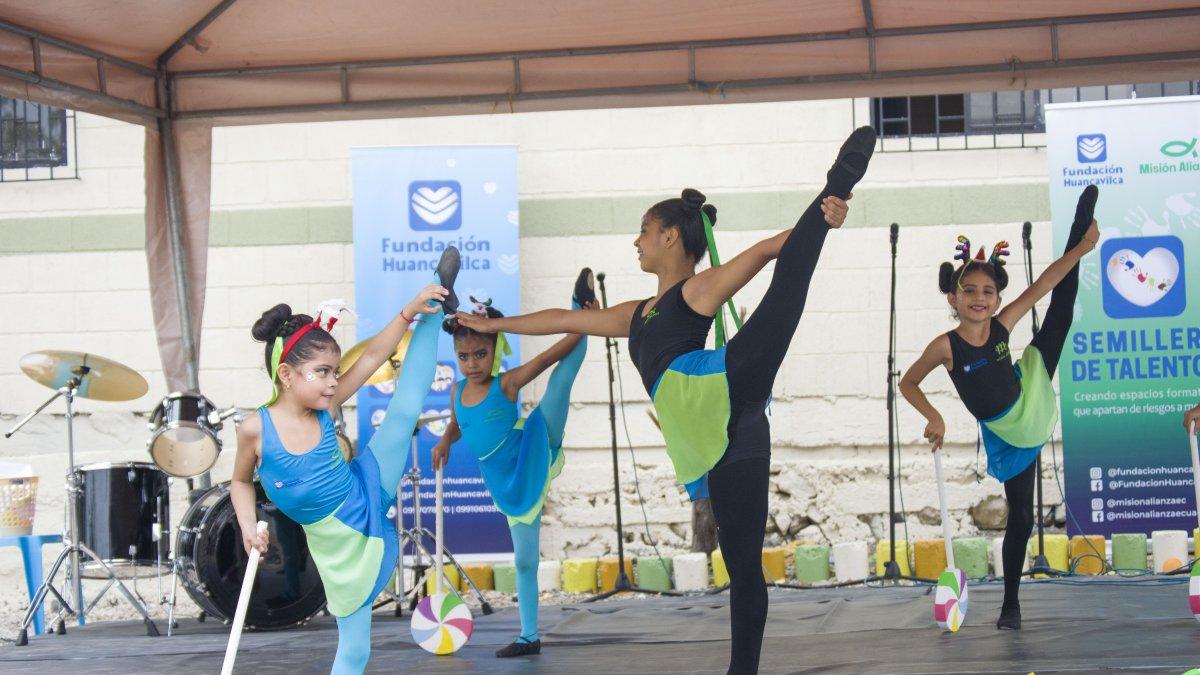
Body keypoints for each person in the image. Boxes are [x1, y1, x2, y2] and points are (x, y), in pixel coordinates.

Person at [455, 126, 873, 674]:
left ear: (673, 237)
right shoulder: (634, 313)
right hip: (727, 435)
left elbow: (774, 250)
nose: (637, 241)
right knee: (742, 564)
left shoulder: (695, 292)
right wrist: (495, 323)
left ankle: (837, 179)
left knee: (789, 287)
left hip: (722, 384)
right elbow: (563, 319)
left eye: (645, 230)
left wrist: (826, 213)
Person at [231, 248, 459, 673]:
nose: (334, 381)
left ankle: (435, 299)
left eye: (335, 371)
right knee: (355, 649)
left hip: (364, 486)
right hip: (337, 543)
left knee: (406, 407)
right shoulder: (255, 429)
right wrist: (247, 528)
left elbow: (372, 357)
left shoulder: (327, 407)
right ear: (286, 375)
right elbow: (240, 482)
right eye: (322, 372)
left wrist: (409, 311)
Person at [899, 185, 1100, 630]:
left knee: (1060, 311)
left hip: (1029, 388)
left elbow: (1046, 283)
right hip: (1010, 433)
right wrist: (932, 416)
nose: (979, 297)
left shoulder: (1003, 326)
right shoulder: (945, 347)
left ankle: (1078, 226)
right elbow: (908, 382)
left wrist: (1083, 248)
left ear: (996, 298)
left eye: (987, 291)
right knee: (1022, 517)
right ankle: (1011, 601)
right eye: (968, 289)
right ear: (952, 298)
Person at [432, 268, 597, 657]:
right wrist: (444, 442)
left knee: (560, 382)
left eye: (480, 354)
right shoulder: (457, 392)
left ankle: (582, 307)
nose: (472, 363)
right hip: (506, 483)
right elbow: (460, 426)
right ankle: (529, 636)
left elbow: (548, 356)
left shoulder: (505, 384)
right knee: (524, 558)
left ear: (495, 349)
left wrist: (579, 326)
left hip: (532, 445)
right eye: (464, 357)